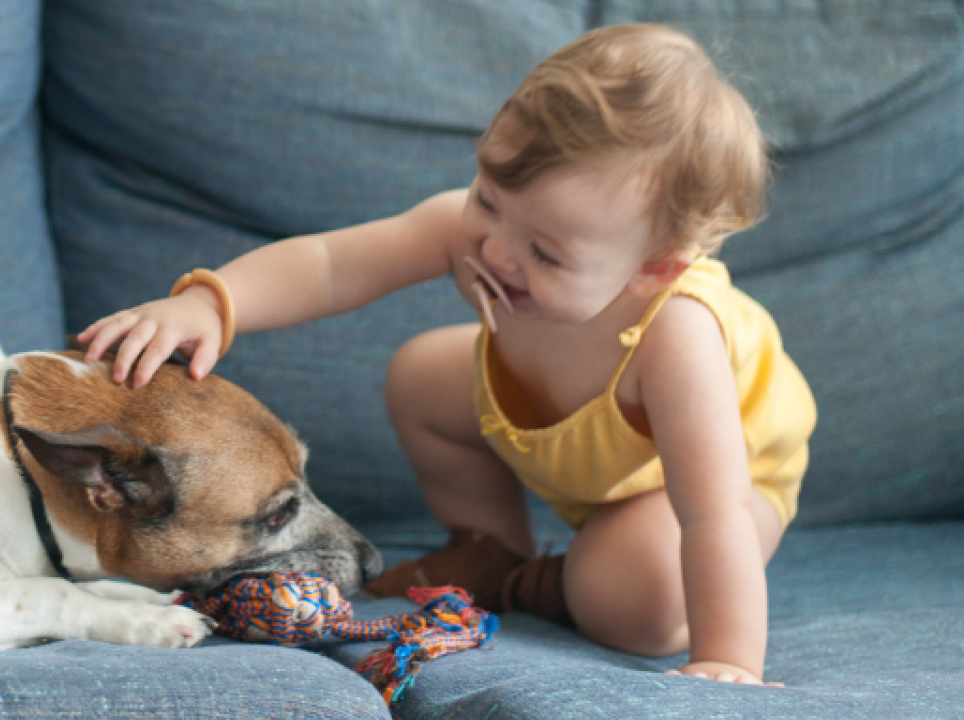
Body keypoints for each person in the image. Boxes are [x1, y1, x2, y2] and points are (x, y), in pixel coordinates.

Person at [77, 23, 814, 686]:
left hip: (712, 485)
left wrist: (728, 658)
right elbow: (336, 264)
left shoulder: (678, 337)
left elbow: (711, 515)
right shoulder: (488, 236)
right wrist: (212, 303)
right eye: (489, 198)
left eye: (547, 254)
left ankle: (542, 585)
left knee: (639, 598)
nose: (493, 250)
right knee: (422, 375)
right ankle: (487, 546)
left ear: (654, 268)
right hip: (573, 438)